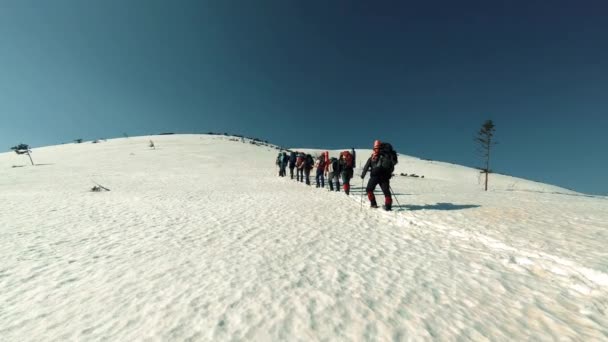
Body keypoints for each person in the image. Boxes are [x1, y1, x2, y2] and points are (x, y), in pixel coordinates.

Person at [360, 140, 395, 211]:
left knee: (369, 190)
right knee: (386, 191)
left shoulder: (372, 157)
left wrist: (363, 175)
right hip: (385, 176)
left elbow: (366, 166)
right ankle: (388, 206)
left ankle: (373, 204)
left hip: (375, 176)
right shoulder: (386, 155)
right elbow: (391, 166)